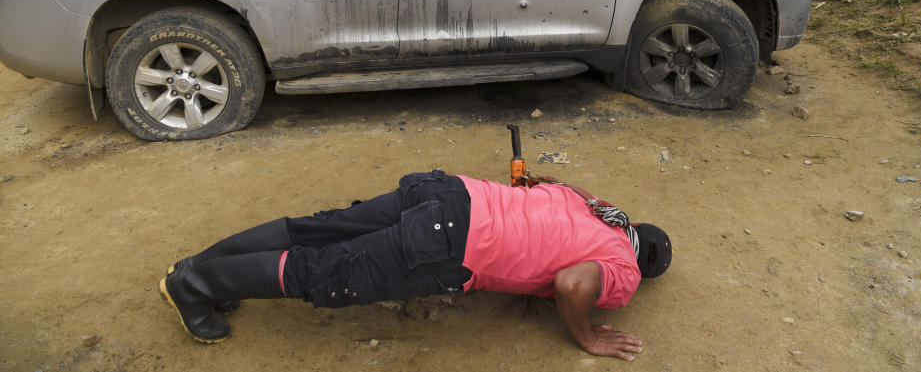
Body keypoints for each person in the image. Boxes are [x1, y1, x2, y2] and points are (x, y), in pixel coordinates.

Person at [158, 169, 672, 360]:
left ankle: (201, 263)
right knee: (321, 271)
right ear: (643, 266)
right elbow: (571, 282)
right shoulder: (623, 268)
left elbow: (536, 181)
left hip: (448, 190)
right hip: (449, 242)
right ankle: (193, 283)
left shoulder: (592, 203)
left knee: (319, 228)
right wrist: (586, 335)